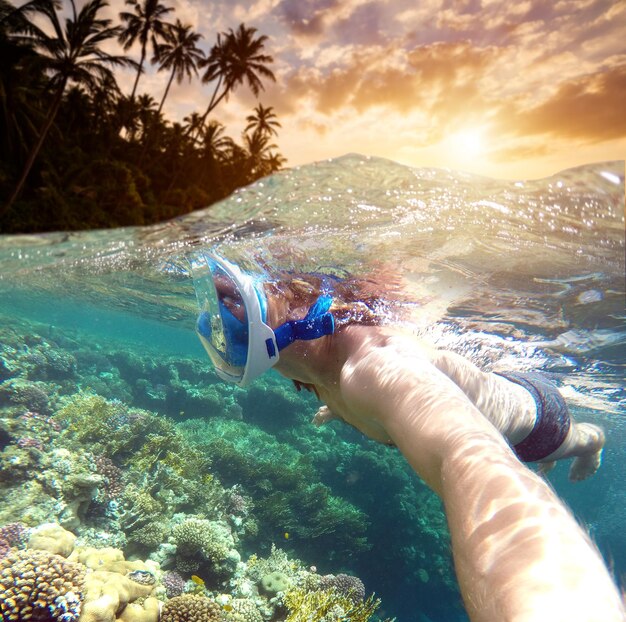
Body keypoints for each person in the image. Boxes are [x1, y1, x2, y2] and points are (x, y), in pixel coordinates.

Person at [191, 252, 625, 622]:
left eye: (238, 301)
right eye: (221, 303)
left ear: (297, 299)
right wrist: (340, 410)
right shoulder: (309, 362)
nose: (221, 318)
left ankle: (594, 442)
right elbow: (353, 390)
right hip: (487, 389)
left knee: (572, 441)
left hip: (536, 416)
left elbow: (468, 458)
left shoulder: (377, 367)